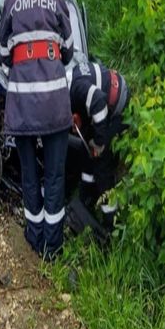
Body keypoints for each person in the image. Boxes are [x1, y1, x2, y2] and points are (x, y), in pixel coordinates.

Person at [0, 0, 73, 260]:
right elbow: (68, 51)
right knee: (54, 176)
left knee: (30, 175)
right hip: (55, 106)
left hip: (24, 108)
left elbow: (3, 54)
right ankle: (52, 248)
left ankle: (33, 238)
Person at [67, 58, 130, 231]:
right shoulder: (69, 79)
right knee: (87, 152)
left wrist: (99, 142)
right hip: (107, 101)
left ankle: (111, 224)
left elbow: (98, 103)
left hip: (119, 107)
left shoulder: (76, 89)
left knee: (102, 163)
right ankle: (86, 197)